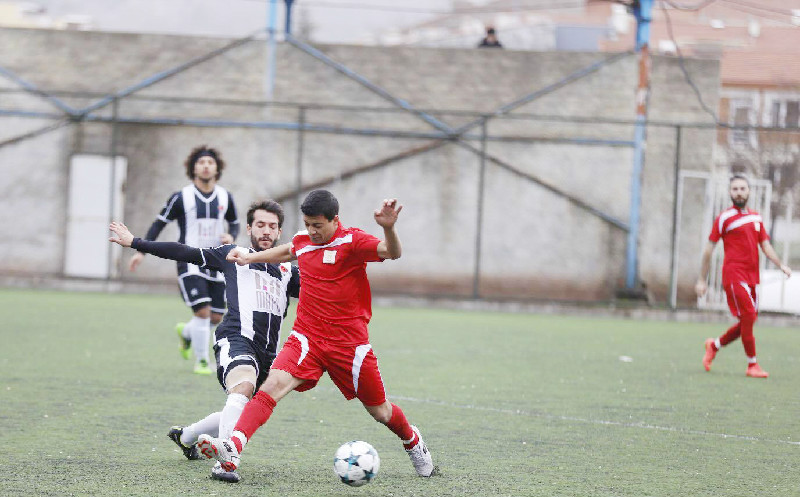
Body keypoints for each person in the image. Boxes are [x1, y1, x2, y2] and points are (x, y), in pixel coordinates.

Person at [195, 190, 435, 480]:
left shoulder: (353, 241)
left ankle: (412, 441)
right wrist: (250, 259)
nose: (311, 231)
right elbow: (287, 251)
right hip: (306, 339)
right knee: (271, 387)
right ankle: (232, 450)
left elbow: (392, 252)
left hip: (349, 346)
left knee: (381, 412)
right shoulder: (304, 240)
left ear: (335, 220)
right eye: (307, 224)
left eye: (317, 225)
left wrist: (388, 226)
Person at [109, 200, 300, 483]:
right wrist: (136, 242)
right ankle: (226, 464)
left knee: (243, 407)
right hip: (236, 339)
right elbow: (184, 251)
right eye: (260, 225)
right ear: (249, 228)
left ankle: (185, 437)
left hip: (268, 355)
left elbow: (324, 289)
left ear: (279, 232)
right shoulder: (233, 255)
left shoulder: (288, 272)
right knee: (243, 386)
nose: (266, 231)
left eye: (272, 226)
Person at [128, 145, 240, 374]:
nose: (206, 166)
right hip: (189, 260)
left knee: (216, 316)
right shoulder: (181, 197)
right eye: (201, 162)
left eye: (210, 162)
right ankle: (202, 361)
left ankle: (187, 332)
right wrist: (141, 251)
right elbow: (160, 223)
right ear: (193, 168)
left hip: (217, 260)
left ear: (217, 168)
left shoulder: (225, 197)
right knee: (202, 311)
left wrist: (232, 236)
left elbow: (235, 223)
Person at [695, 174, 791, 378]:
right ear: (730, 193)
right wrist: (702, 279)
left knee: (747, 321)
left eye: (742, 188)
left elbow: (765, 245)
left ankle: (714, 345)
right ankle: (752, 365)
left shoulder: (756, 217)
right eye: (735, 189)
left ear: (749, 192)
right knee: (748, 316)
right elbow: (708, 250)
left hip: (752, 276)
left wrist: (780, 264)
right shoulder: (723, 218)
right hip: (733, 275)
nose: (739, 192)